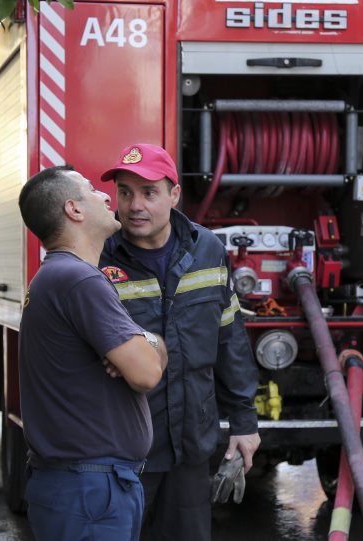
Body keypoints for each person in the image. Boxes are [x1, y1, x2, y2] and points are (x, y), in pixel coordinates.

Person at [98, 143, 260, 540]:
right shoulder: (99, 257)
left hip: (190, 443)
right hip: (123, 449)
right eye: (125, 192)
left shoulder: (208, 250)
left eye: (149, 192)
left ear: (174, 195)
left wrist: (244, 421)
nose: (135, 205)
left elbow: (229, 339)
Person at [17, 165, 168, 541]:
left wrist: (144, 343)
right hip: (90, 493)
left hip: (85, 488)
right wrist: (148, 345)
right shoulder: (81, 280)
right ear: (74, 210)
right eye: (90, 190)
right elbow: (148, 372)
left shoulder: (58, 275)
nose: (106, 197)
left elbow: (146, 355)